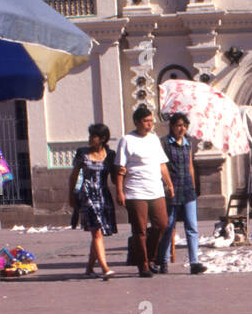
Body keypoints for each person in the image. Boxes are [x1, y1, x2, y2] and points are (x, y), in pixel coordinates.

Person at [114, 106, 173, 277]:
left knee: (162, 224)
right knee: (140, 229)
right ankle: (143, 264)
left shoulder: (154, 139)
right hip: (135, 190)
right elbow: (120, 168)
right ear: (137, 122)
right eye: (146, 121)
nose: (149, 124)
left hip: (155, 188)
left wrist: (169, 184)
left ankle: (151, 256)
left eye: (151, 121)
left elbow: (162, 164)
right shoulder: (127, 140)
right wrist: (119, 191)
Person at [154, 113, 207, 275]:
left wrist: (193, 184)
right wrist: (166, 185)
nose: (181, 128)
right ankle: (162, 260)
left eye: (184, 125)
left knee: (192, 226)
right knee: (168, 226)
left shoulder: (188, 143)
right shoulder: (164, 143)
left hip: (187, 189)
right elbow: (161, 166)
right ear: (171, 126)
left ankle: (194, 262)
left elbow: (190, 165)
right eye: (178, 125)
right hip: (171, 190)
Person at [67, 124, 117, 280]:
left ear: (102, 139)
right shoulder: (82, 153)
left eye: (93, 136)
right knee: (96, 232)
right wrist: (71, 195)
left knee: (99, 233)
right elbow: (74, 176)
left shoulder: (110, 155)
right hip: (87, 195)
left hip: (103, 195)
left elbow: (114, 178)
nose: (90, 139)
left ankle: (89, 268)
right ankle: (105, 268)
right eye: (89, 136)